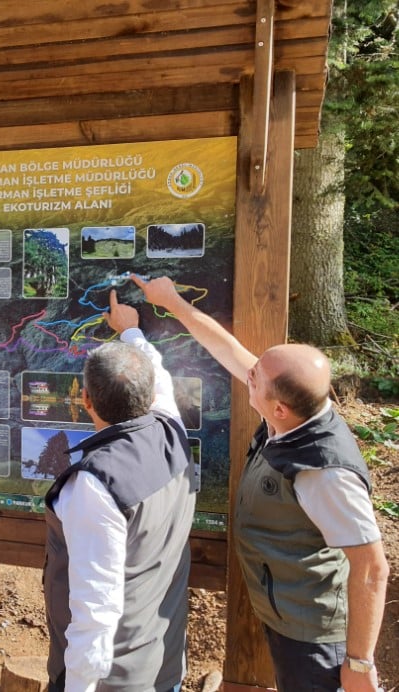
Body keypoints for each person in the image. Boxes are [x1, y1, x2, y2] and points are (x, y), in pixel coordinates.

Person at [131, 274, 389, 692]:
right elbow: (229, 351)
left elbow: (372, 566)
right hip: (286, 611)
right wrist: (173, 302)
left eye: (257, 378)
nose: (249, 373)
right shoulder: (294, 412)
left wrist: (359, 664)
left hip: (315, 635)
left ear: (280, 407)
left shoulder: (325, 472)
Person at [44, 289, 196, 691]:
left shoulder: (95, 485)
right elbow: (158, 377)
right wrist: (131, 334)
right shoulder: (171, 433)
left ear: (85, 400)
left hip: (113, 681)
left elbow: (96, 610)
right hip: (161, 661)